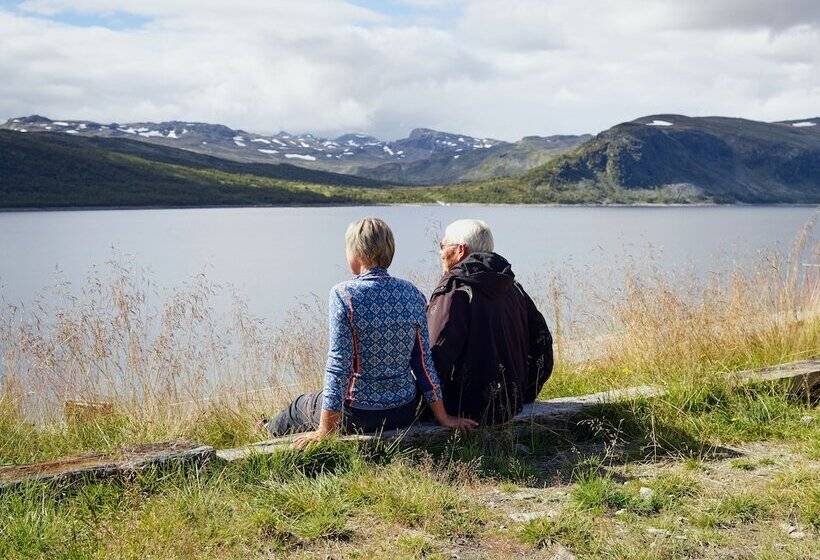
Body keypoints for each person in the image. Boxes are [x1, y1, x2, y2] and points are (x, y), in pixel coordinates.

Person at [265, 217, 477, 449]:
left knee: (298, 407)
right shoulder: (413, 294)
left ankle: (265, 431)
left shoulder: (344, 295)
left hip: (357, 415)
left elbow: (339, 365)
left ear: (356, 252)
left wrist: (325, 430)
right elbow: (423, 364)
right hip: (402, 411)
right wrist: (443, 417)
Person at [427, 219, 553, 425]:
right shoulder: (513, 286)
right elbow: (543, 342)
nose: (441, 253)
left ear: (460, 250)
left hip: (464, 410)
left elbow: (433, 356)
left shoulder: (456, 291)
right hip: (511, 404)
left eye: (443, 246)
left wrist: (432, 408)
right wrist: (524, 393)